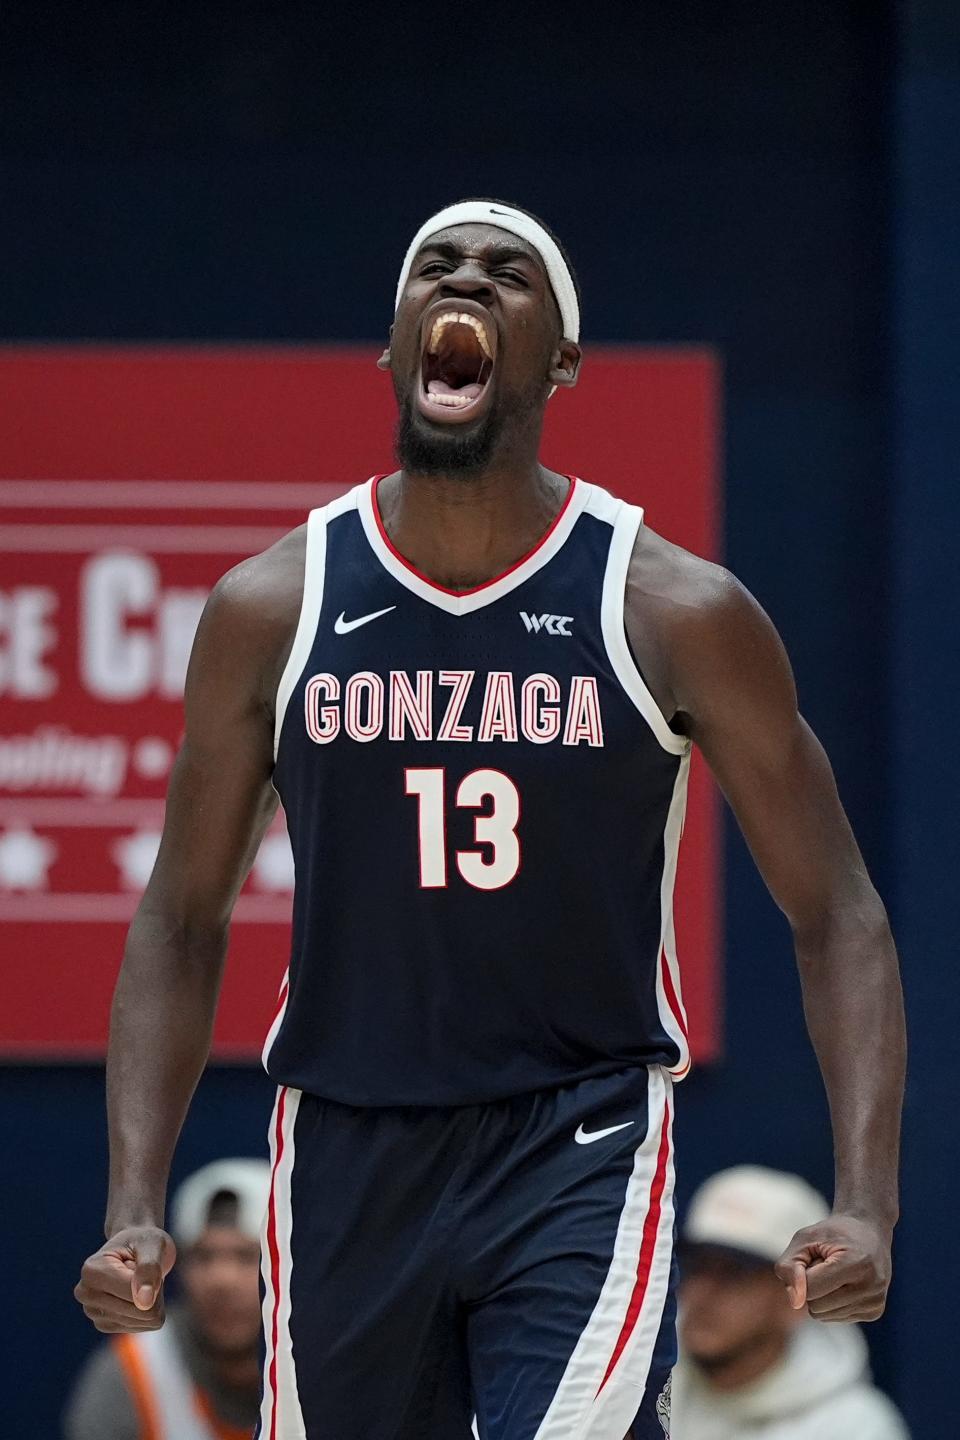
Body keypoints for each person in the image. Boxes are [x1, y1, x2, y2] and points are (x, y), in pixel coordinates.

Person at [73, 198, 906, 1440]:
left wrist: (868, 1198)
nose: (464, 281)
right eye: (435, 267)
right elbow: (182, 917)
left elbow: (837, 910)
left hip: (575, 1130)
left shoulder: (672, 608)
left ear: (560, 360)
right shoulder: (271, 606)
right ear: (396, 341)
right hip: (347, 1144)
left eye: (508, 275)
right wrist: (134, 1199)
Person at [672, 1166, 909, 1439]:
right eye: (698, 1266)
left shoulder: (855, 1428)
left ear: (796, 1298)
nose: (703, 1292)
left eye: (734, 1273)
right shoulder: (641, 1383)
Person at [66, 1158, 268, 1439]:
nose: (222, 1280)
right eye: (203, 1256)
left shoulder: (332, 1365)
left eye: (246, 1256)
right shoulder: (135, 1372)